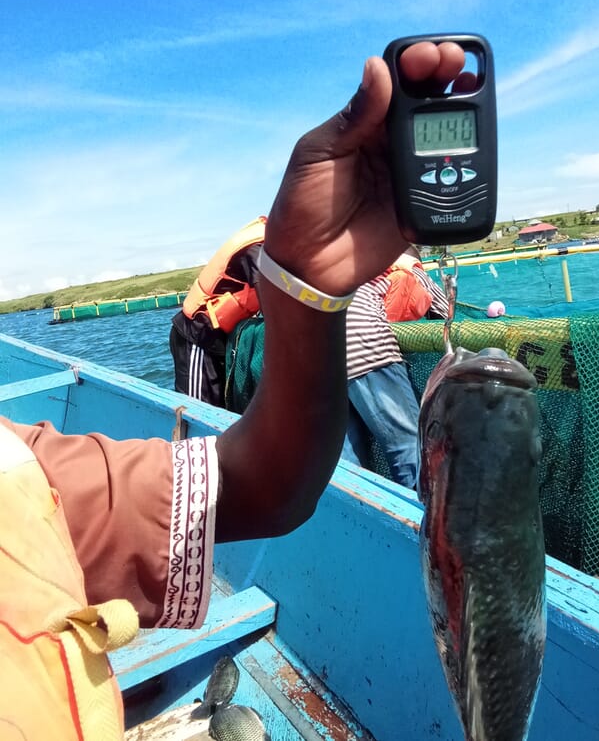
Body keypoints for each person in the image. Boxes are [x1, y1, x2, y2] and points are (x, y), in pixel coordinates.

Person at [0, 40, 472, 739]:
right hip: (235, 341)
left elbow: (260, 483)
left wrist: (306, 284)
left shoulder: (27, 480)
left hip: (293, 345)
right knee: (400, 449)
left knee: (393, 447)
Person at [341, 247, 448, 488]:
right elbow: (445, 312)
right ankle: (421, 518)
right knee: (408, 446)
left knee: (346, 459)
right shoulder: (408, 266)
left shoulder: (355, 265)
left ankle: (362, 517)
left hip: (321, 358)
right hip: (367, 351)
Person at [169, 216, 266, 407]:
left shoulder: (273, 246)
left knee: (222, 407)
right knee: (196, 411)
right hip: (197, 337)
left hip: (223, 341)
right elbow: (270, 299)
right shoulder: (256, 248)